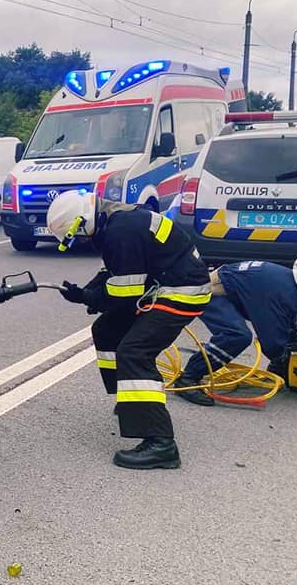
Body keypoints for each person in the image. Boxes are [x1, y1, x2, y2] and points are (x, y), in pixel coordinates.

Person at [47, 190, 211, 470]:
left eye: (79, 235)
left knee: (134, 352)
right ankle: (130, 403)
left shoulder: (120, 230)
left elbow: (126, 291)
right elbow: (113, 271)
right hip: (164, 286)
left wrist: (89, 298)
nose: (83, 241)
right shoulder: (115, 221)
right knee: (107, 329)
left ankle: (161, 444)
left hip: (181, 293)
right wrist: (87, 291)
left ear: (81, 221)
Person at [174, 257, 297, 406]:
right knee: (237, 335)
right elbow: (272, 341)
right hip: (207, 292)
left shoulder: (288, 283)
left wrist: (292, 347)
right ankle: (188, 378)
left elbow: (285, 323)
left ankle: (278, 368)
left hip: (218, 287)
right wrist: (287, 352)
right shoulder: (280, 293)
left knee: (270, 338)